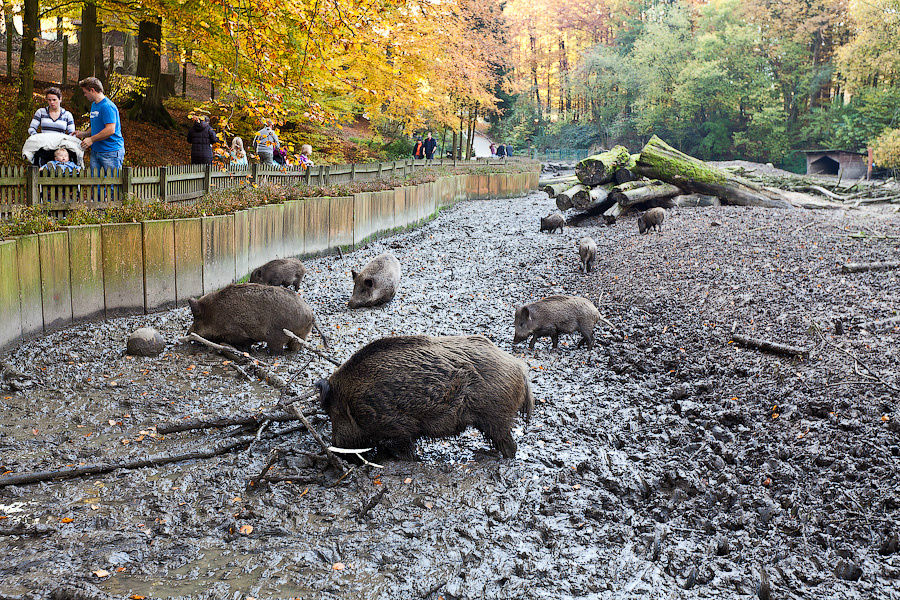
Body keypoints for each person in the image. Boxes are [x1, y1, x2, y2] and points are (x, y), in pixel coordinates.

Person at [74, 77, 125, 171]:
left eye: (85, 92)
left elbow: (110, 129)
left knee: (111, 184)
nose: (84, 95)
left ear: (92, 90)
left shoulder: (107, 106)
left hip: (110, 152)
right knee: (95, 184)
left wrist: (91, 139)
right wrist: (83, 134)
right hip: (96, 151)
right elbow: (96, 127)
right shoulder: (94, 105)